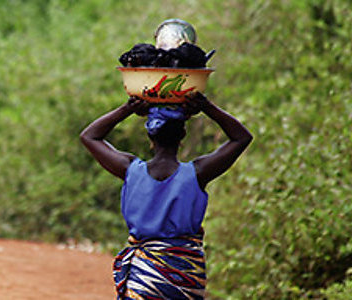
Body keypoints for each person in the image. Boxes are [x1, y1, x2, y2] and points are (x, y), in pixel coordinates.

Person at [80, 94, 252, 299]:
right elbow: (242, 137)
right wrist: (206, 106)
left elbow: (89, 136)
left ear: (150, 139)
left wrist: (127, 108)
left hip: (144, 275)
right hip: (183, 273)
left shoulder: (130, 170)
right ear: (182, 136)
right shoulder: (197, 173)